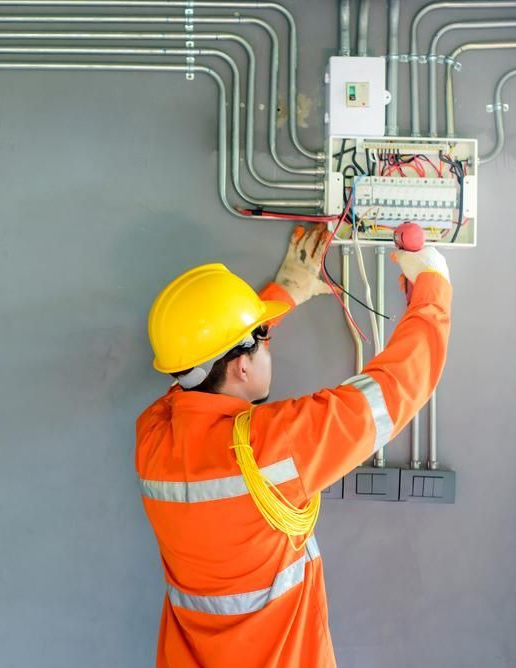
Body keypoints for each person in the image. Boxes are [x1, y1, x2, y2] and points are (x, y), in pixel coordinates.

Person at [136, 225, 452, 667]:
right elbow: (395, 389)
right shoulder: (272, 451)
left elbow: (196, 375)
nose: (269, 346)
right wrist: (433, 287)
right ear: (243, 367)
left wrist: (284, 293)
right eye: (262, 340)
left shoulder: (153, 436)